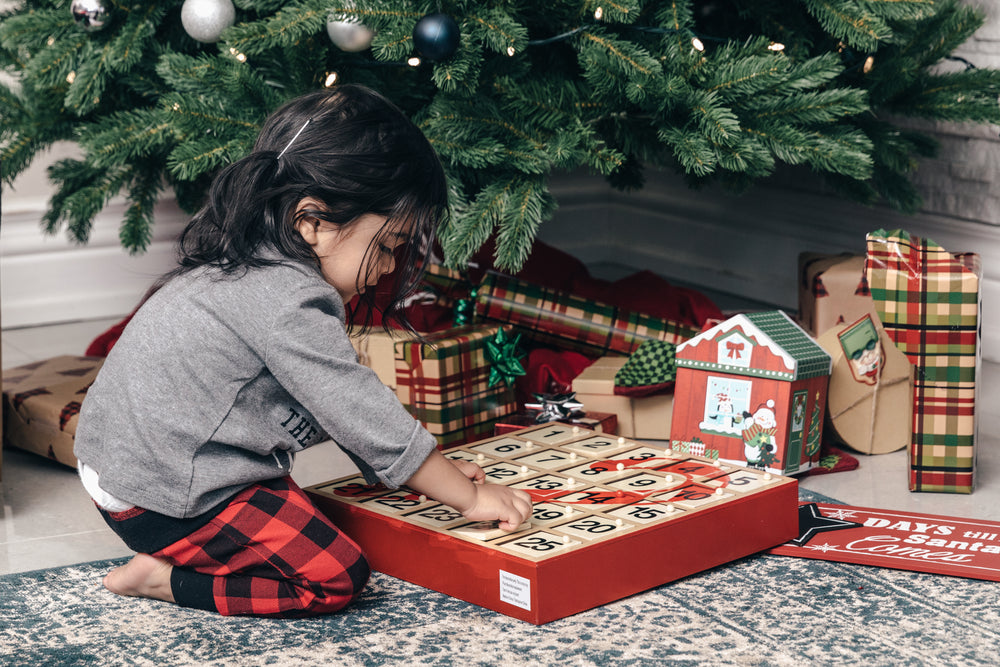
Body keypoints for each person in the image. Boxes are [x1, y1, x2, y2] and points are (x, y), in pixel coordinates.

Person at [73, 84, 533, 618]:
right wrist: (469, 498)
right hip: (165, 499)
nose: (387, 268)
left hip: (125, 469)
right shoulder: (288, 297)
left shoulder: (249, 261)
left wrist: (434, 474)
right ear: (311, 221)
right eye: (386, 246)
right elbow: (358, 409)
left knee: (318, 517)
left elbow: (338, 408)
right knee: (336, 576)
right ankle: (164, 580)